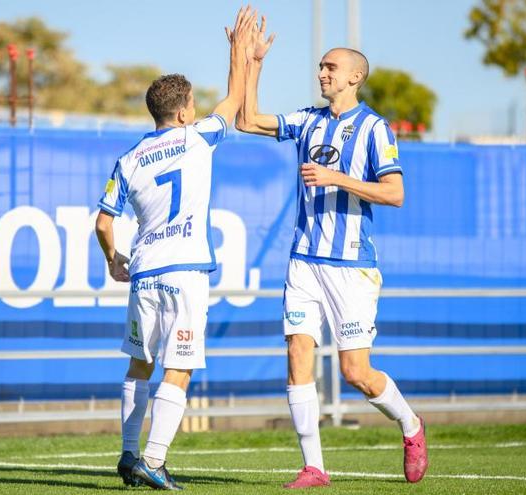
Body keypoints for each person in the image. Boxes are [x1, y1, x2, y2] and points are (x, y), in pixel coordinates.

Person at [236, 18, 428, 489]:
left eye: (331, 67)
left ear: (354, 77)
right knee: (298, 353)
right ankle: (314, 467)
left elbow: (395, 193)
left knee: (355, 372)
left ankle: (410, 425)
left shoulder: (375, 129)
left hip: (352, 268)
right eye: (321, 67)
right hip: (304, 261)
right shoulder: (307, 120)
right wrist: (253, 64)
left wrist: (337, 179)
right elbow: (245, 119)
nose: (322, 73)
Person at [94, 7, 253, 491]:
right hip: (185, 272)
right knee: (179, 367)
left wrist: (112, 260)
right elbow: (236, 100)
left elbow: (103, 222)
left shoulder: (129, 159)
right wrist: (239, 52)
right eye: (193, 104)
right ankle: (155, 461)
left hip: (144, 273)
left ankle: (127, 454)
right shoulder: (197, 136)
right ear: (184, 110)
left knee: (139, 364)